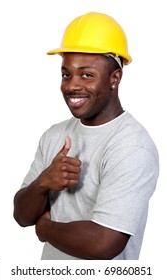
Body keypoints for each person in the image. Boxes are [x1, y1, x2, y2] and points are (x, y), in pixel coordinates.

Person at [13, 12, 159, 260]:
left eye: (87, 75)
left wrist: (46, 228)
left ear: (115, 78)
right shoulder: (54, 135)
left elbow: (104, 243)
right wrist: (44, 182)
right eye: (66, 74)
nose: (71, 85)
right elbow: (21, 215)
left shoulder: (132, 146)